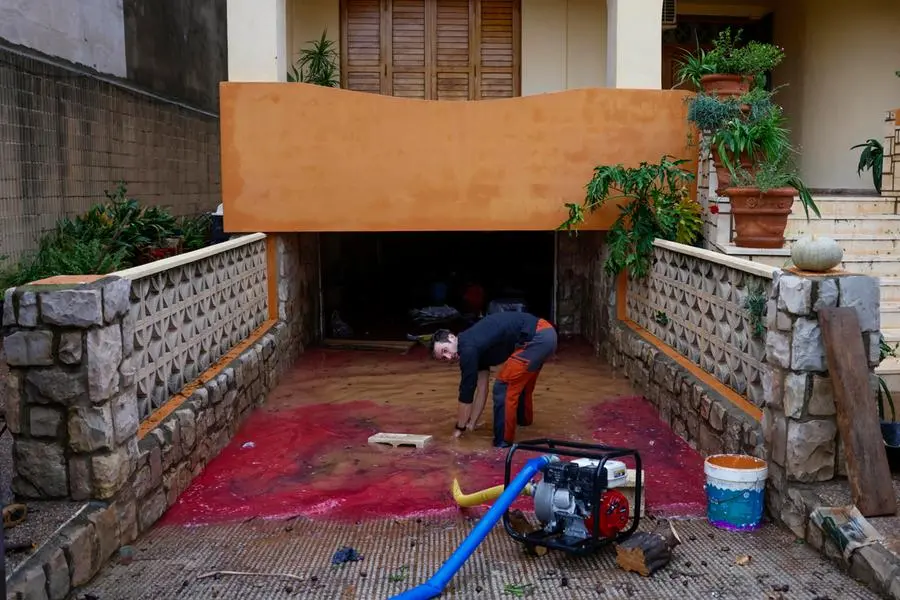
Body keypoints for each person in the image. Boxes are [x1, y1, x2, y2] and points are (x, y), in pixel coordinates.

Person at [430, 311, 558, 447]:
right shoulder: (474, 346)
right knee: (518, 380)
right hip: (544, 334)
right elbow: (482, 389)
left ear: (452, 337)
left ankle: (503, 442)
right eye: (444, 358)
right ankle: (524, 421)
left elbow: (466, 394)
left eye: (445, 351)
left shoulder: (467, 349)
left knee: (503, 386)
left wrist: (459, 429)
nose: (449, 357)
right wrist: (471, 424)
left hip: (537, 338)